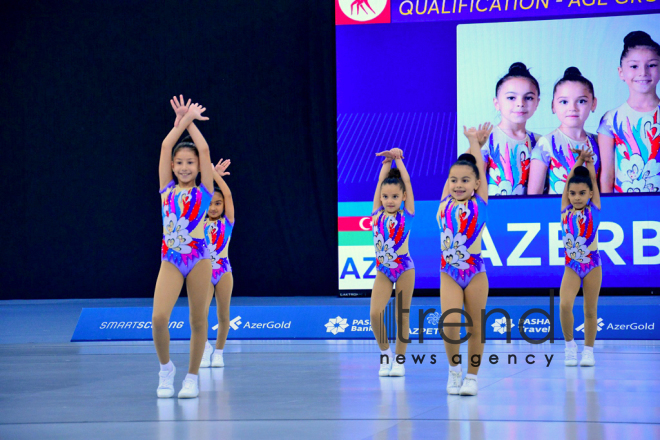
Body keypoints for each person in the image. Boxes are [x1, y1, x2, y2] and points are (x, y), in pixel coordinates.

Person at [154, 95, 213, 399]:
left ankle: (192, 376)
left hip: (200, 259)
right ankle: (166, 370)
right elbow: (166, 146)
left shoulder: (205, 190)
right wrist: (182, 121)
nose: (185, 167)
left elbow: (203, 149)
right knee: (159, 318)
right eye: (180, 163)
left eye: (191, 163)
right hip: (171, 259)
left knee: (198, 320)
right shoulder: (166, 189)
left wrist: (191, 123)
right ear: (173, 167)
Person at [438, 123, 492, 396]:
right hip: (449, 272)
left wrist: (474, 143)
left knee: (475, 326)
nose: (458, 184)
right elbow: (461, 168)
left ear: (477, 185)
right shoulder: (444, 203)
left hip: (475, 272)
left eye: (465, 181)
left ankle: (472, 377)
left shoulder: (480, 202)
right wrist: (472, 147)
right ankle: (454, 370)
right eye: (454, 180)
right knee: (450, 324)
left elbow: (476, 167)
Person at [370, 148, 415, 377]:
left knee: (402, 316)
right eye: (386, 196)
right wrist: (387, 162)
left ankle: (399, 361)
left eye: (395, 196)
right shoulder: (376, 212)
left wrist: (398, 159)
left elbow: (405, 179)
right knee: (375, 313)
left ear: (403, 197)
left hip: (405, 269)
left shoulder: (407, 212)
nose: (389, 200)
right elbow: (381, 181)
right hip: (383, 271)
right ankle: (385, 353)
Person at [598, 31, 660, 193]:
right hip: (626, 209)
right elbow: (607, 175)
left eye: (652, 65)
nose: (643, 72)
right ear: (621, 72)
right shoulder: (611, 120)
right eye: (634, 66)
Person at [559, 147, 601, 367]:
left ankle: (588, 351)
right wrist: (578, 160)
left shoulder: (594, 209)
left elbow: (592, 179)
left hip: (593, 265)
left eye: (582, 193)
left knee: (589, 310)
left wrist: (589, 161)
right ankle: (569, 346)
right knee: (565, 305)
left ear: (590, 194)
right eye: (573, 193)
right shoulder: (565, 210)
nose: (576, 197)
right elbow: (569, 181)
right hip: (572, 266)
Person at [529, 67, 600, 195]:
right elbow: (534, 198)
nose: (572, 108)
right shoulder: (546, 144)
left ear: (593, 103)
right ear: (553, 106)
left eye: (581, 101)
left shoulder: (598, 142)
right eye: (564, 102)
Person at [481, 62, 541, 195]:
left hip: (528, 212)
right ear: (497, 103)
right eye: (511, 98)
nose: (520, 103)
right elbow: (474, 187)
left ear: (537, 103)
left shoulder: (540, 142)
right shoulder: (485, 139)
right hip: (493, 212)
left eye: (529, 98)